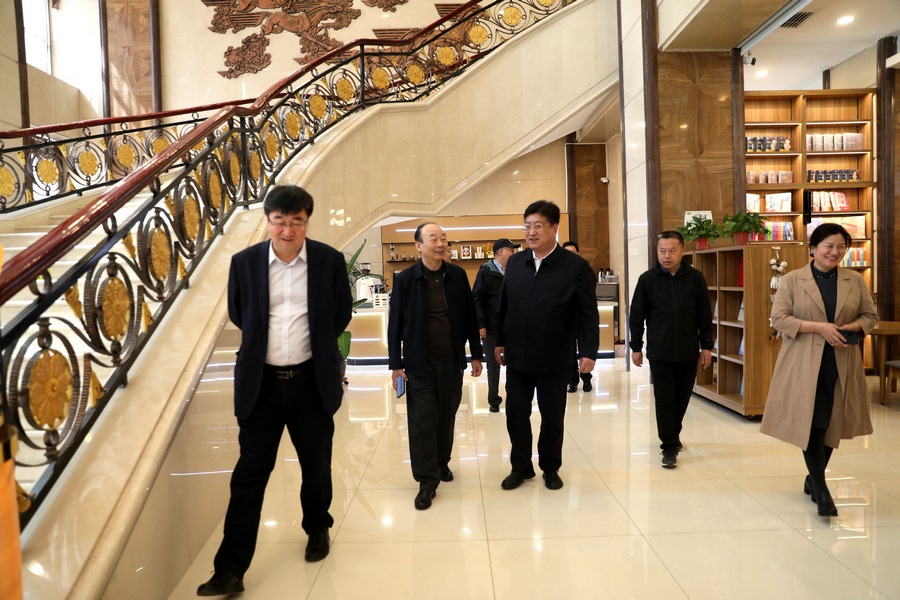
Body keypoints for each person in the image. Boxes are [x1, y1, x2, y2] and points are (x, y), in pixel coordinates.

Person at [198, 185, 352, 596]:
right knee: (249, 476)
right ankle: (230, 569)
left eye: (296, 221)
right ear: (267, 221)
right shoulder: (244, 263)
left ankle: (317, 528)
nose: (287, 230)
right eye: (279, 221)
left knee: (316, 465)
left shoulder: (328, 261)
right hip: (261, 386)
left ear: (307, 222)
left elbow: (340, 314)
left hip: (311, 384)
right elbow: (239, 312)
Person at [760, 223, 877, 517]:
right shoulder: (792, 280)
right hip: (803, 362)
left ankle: (813, 478)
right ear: (813, 249)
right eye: (828, 246)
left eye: (841, 247)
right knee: (810, 420)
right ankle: (822, 489)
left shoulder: (854, 280)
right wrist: (819, 328)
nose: (834, 252)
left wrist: (851, 326)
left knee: (831, 420)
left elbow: (870, 316)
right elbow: (779, 318)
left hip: (841, 360)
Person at [495, 201, 598, 491]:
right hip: (518, 355)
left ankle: (550, 467)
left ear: (554, 228)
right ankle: (521, 467)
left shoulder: (575, 267)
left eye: (538, 226)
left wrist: (588, 351)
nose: (531, 232)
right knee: (516, 413)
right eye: (527, 226)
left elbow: (587, 312)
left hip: (555, 356)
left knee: (552, 416)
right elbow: (504, 305)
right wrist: (500, 340)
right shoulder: (516, 262)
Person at [388, 222, 483, 510]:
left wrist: (476, 355)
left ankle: (441, 463)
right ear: (419, 246)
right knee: (422, 421)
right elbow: (395, 323)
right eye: (434, 239)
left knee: (446, 415)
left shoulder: (457, 275)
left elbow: (470, 316)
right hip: (419, 363)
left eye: (444, 238)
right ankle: (426, 480)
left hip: (451, 361)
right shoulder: (405, 279)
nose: (440, 243)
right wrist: (396, 364)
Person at [629, 230, 714, 469]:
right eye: (662, 251)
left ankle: (673, 434)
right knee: (665, 399)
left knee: (682, 398)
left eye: (672, 251)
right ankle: (668, 446)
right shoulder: (647, 280)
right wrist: (636, 346)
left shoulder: (695, 279)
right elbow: (637, 316)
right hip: (660, 351)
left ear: (682, 251)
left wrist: (707, 346)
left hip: (688, 350)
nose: (666, 256)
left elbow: (704, 315)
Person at [472, 238, 520, 413]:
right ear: (501, 251)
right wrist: (480, 324)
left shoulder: (515, 271)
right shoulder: (486, 271)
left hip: (512, 326)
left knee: (514, 364)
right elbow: (477, 299)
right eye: (511, 250)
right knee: (493, 365)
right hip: (491, 327)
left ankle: (513, 397)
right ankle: (493, 400)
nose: (513, 253)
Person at [562, 240, 594, 394]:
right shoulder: (558, 271)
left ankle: (586, 379)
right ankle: (572, 381)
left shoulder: (585, 269)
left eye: (573, 252)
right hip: (565, 318)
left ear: (578, 253)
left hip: (582, 317)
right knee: (569, 353)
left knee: (584, 350)